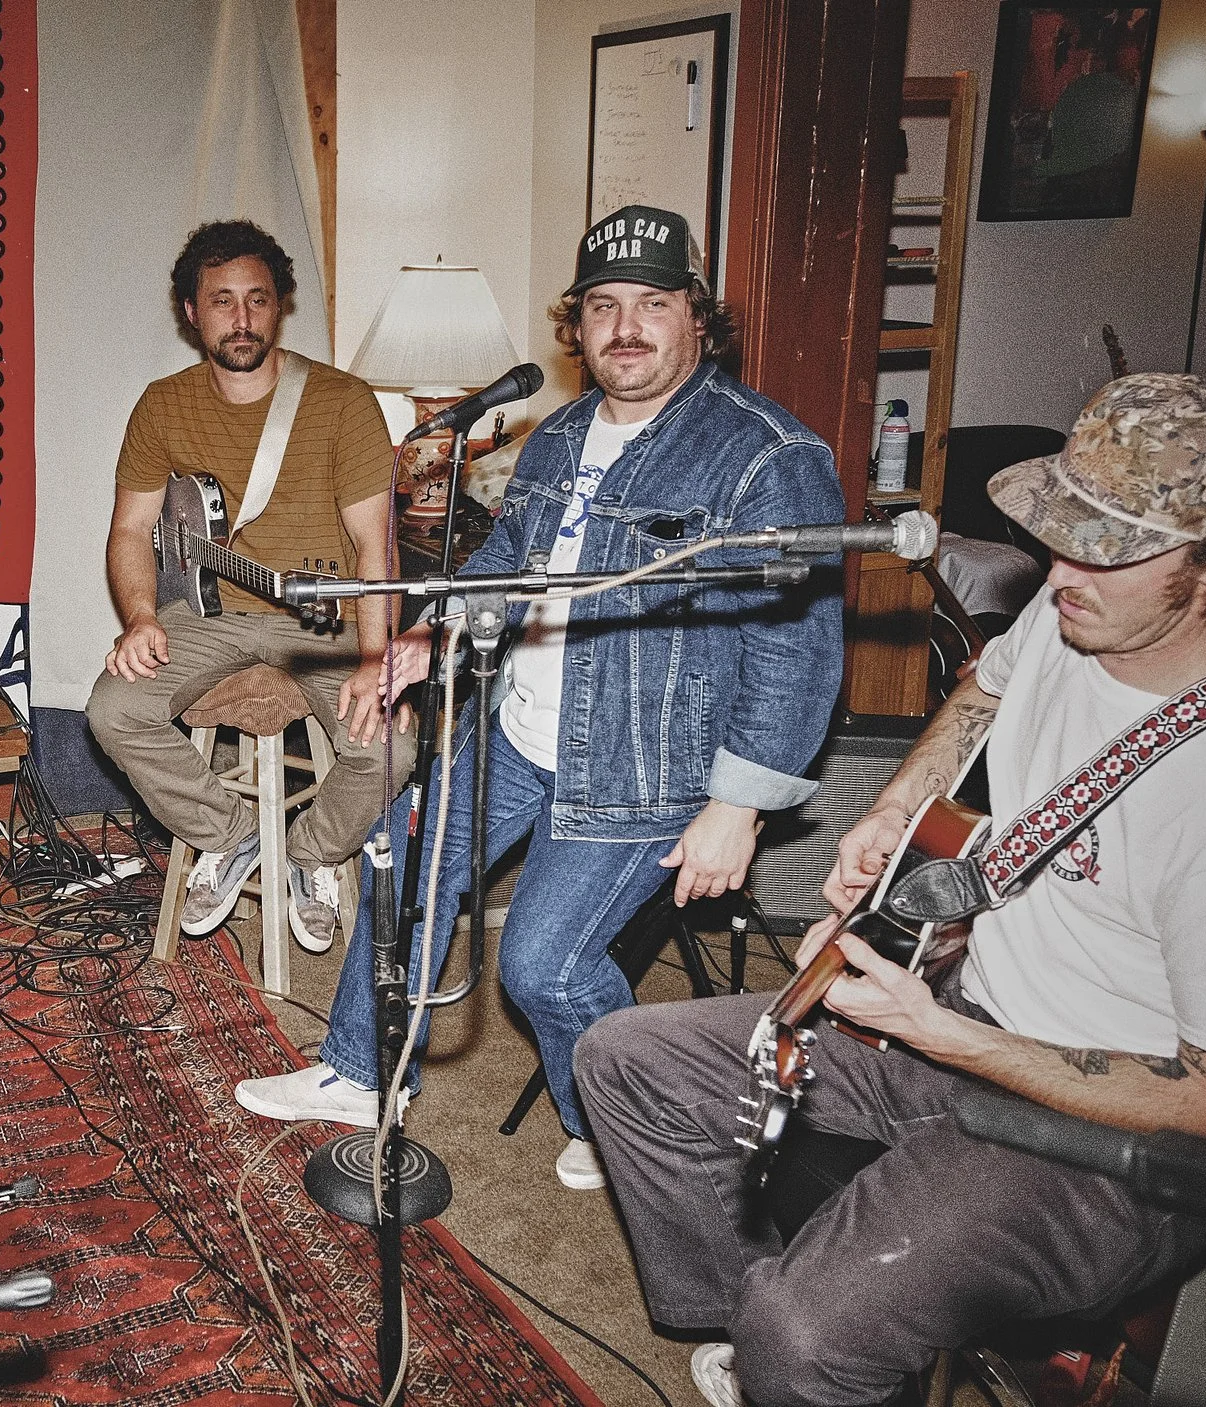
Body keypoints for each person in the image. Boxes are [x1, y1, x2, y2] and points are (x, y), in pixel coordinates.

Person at [576, 373, 1206, 1407]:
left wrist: (946, 1038)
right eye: (1061, 530)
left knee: (806, 1333)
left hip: (1103, 1146)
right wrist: (896, 815)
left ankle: (801, 1344)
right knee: (628, 1060)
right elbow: (982, 693)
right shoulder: (1077, 613)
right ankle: (764, 1325)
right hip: (956, 1009)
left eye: (1107, 546)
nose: (1061, 566)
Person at [234, 205, 847, 1191]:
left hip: (648, 767)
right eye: (603, 306)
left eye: (654, 304)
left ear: (697, 316)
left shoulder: (766, 457)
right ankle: (360, 1075)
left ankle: (623, 1123)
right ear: (576, 324)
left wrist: (738, 805)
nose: (626, 328)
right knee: (399, 868)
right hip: (517, 733)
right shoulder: (560, 434)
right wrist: (433, 634)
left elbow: (799, 648)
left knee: (543, 967)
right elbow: (515, 561)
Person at [88, 220, 411, 953]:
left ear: (280, 306)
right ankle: (231, 837)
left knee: (392, 743)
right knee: (112, 708)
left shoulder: (340, 400)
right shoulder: (162, 404)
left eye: (257, 300)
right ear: (191, 311)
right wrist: (141, 616)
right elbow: (132, 529)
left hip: (321, 618)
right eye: (222, 300)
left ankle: (313, 852)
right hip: (208, 612)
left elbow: (374, 544)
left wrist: (371, 662)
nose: (241, 318)